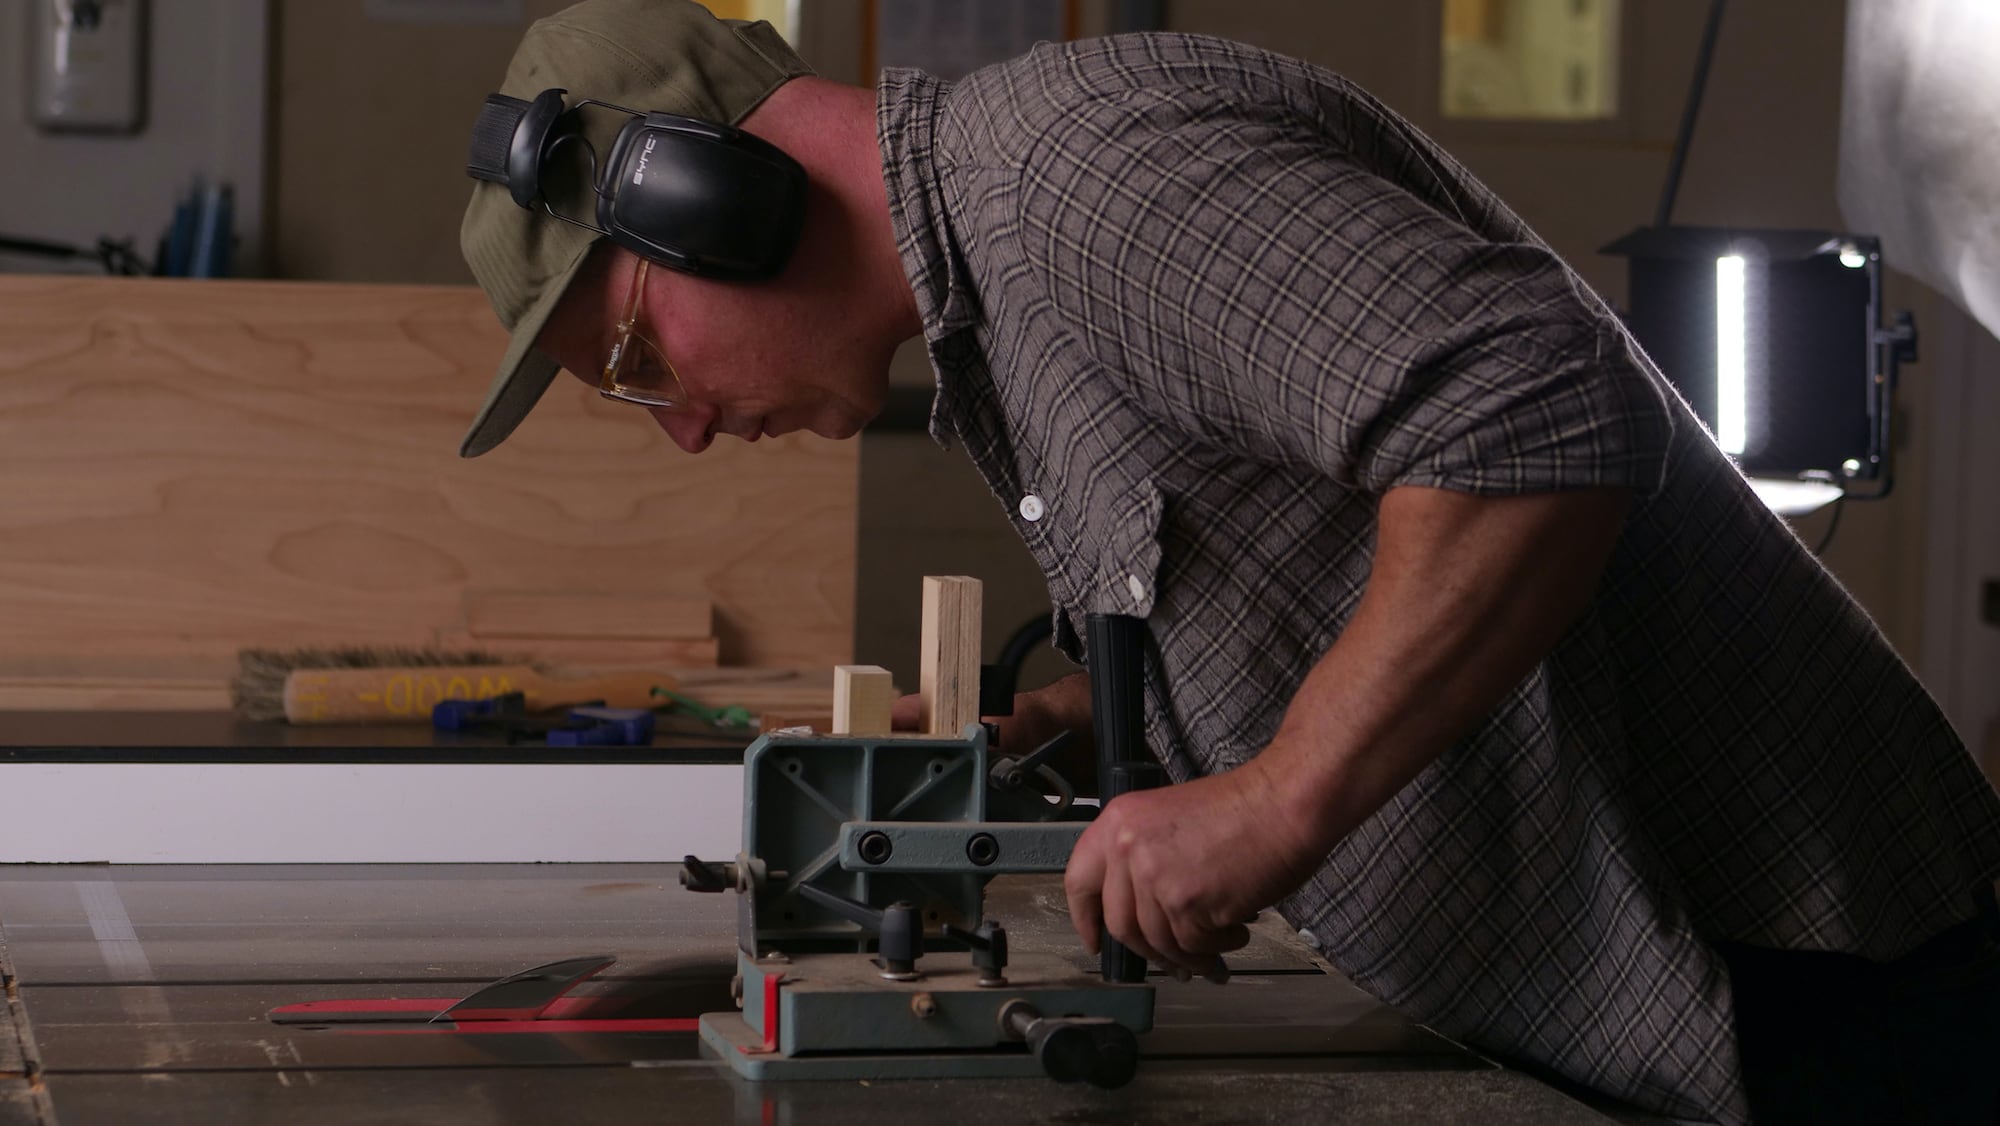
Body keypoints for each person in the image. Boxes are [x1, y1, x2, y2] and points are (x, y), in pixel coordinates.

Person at [455, 2, 2000, 1122]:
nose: (686, 428)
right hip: (1709, 991)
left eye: (640, 359)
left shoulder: (1078, 185)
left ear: (712, 201)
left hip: (1822, 980)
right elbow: (1306, 522)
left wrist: (1273, 800)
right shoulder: (1004, 289)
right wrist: (1091, 718)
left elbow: (1530, 408)